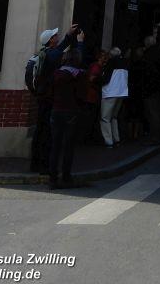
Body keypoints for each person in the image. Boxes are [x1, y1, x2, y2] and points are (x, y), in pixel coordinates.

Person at [28, 26, 83, 174]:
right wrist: (77, 42)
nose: (56, 37)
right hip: (49, 98)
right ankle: (45, 166)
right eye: (55, 36)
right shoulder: (54, 56)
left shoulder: (41, 55)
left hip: (40, 97)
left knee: (39, 130)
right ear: (51, 40)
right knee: (48, 133)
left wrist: (67, 36)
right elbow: (69, 56)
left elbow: (58, 50)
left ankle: (35, 163)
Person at [49, 47, 90, 189]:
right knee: (68, 146)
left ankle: (52, 178)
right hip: (71, 112)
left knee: (55, 145)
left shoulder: (56, 74)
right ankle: (66, 176)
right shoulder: (78, 75)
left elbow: (50, 92)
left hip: (56, 110)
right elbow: (82, 95)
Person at [99, 47, 129, 147]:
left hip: (110, 93)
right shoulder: (125, 63)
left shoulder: (111, 63)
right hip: (121, 93)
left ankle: (109, 141)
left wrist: (96, 80)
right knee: (114, 117)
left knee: (105, 118)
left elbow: (105, 79)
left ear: (111, 55)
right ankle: (117, 139)